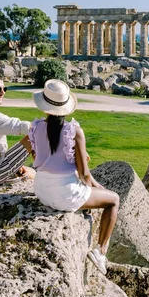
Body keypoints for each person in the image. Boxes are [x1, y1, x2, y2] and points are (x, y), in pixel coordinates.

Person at [29, 78, 120, 275]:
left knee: (92, 194)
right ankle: (101, 252)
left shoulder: (35, 128)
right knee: (113, 200)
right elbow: (84, 174)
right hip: (64, 194)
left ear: (44, 106)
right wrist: (99, 189)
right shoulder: (74, 131)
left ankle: (100, 249)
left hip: (41, 190)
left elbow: (40, 159)